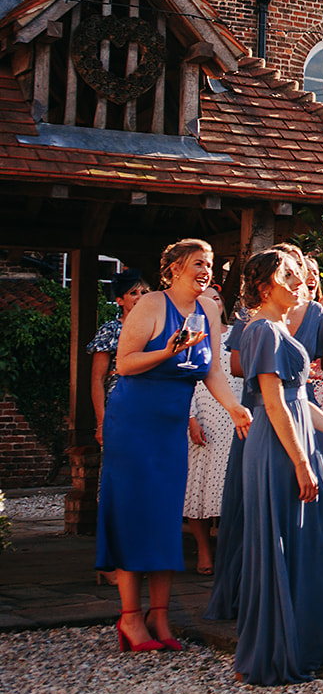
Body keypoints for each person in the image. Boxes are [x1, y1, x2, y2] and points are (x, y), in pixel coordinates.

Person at [206, 245, 323, 624]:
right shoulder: (263, 331)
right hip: (278, 443)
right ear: (265, 289)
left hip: (296, 431)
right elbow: (275, 404)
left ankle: (305, 631)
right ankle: (280, 639)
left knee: (315, 536)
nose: (300, 282)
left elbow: (297, 398)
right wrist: (302, 463)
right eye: (288, 276)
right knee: (287, 540)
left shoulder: (278, 327)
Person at [97, 238, 251, 652]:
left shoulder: (211, 310)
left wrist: (235, 408)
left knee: (165, 516)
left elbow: (212, 371)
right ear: (175, 268)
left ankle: (160, 616)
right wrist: (166, 351)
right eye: (199, 263)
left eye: (212, 264)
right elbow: (123, 363)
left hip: (170, 429)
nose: (207, 270)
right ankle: (130, 618)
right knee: (134, 514)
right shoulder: (150, 306)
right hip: (133, 423)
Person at [184, 285, 236, 575]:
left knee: (231, 485)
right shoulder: (193, 335)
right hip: (203, 411)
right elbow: (186, 376)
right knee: (201, 484)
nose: (213, 303)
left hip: (235, 409)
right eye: (206, 300)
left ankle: (228, 550)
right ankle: (204, 551)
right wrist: (191, 418)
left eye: (217, 297)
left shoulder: (237, 333)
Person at [90, 269, 147, 446]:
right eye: (133, 293)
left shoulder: (158, 328)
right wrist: (101, 423)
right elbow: (97, 378)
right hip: (121, 399)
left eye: (144, 292)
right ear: (120, 300)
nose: (140, 297)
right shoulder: (111, 330)